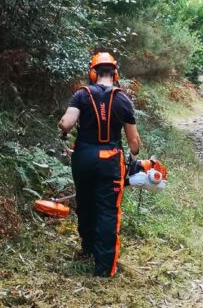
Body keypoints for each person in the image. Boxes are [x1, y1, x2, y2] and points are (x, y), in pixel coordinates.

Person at [58, 52, 141, 277]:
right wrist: (135, 153)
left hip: (83, 158)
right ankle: (103, 269)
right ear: (115, 74)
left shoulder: (81, 95)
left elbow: (66, 123)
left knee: (85, 202)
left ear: (93, 73)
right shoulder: (123, 99)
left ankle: (88, 248)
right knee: (108, 211)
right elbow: (133, 144)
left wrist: (64, 127)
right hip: (110, 161)